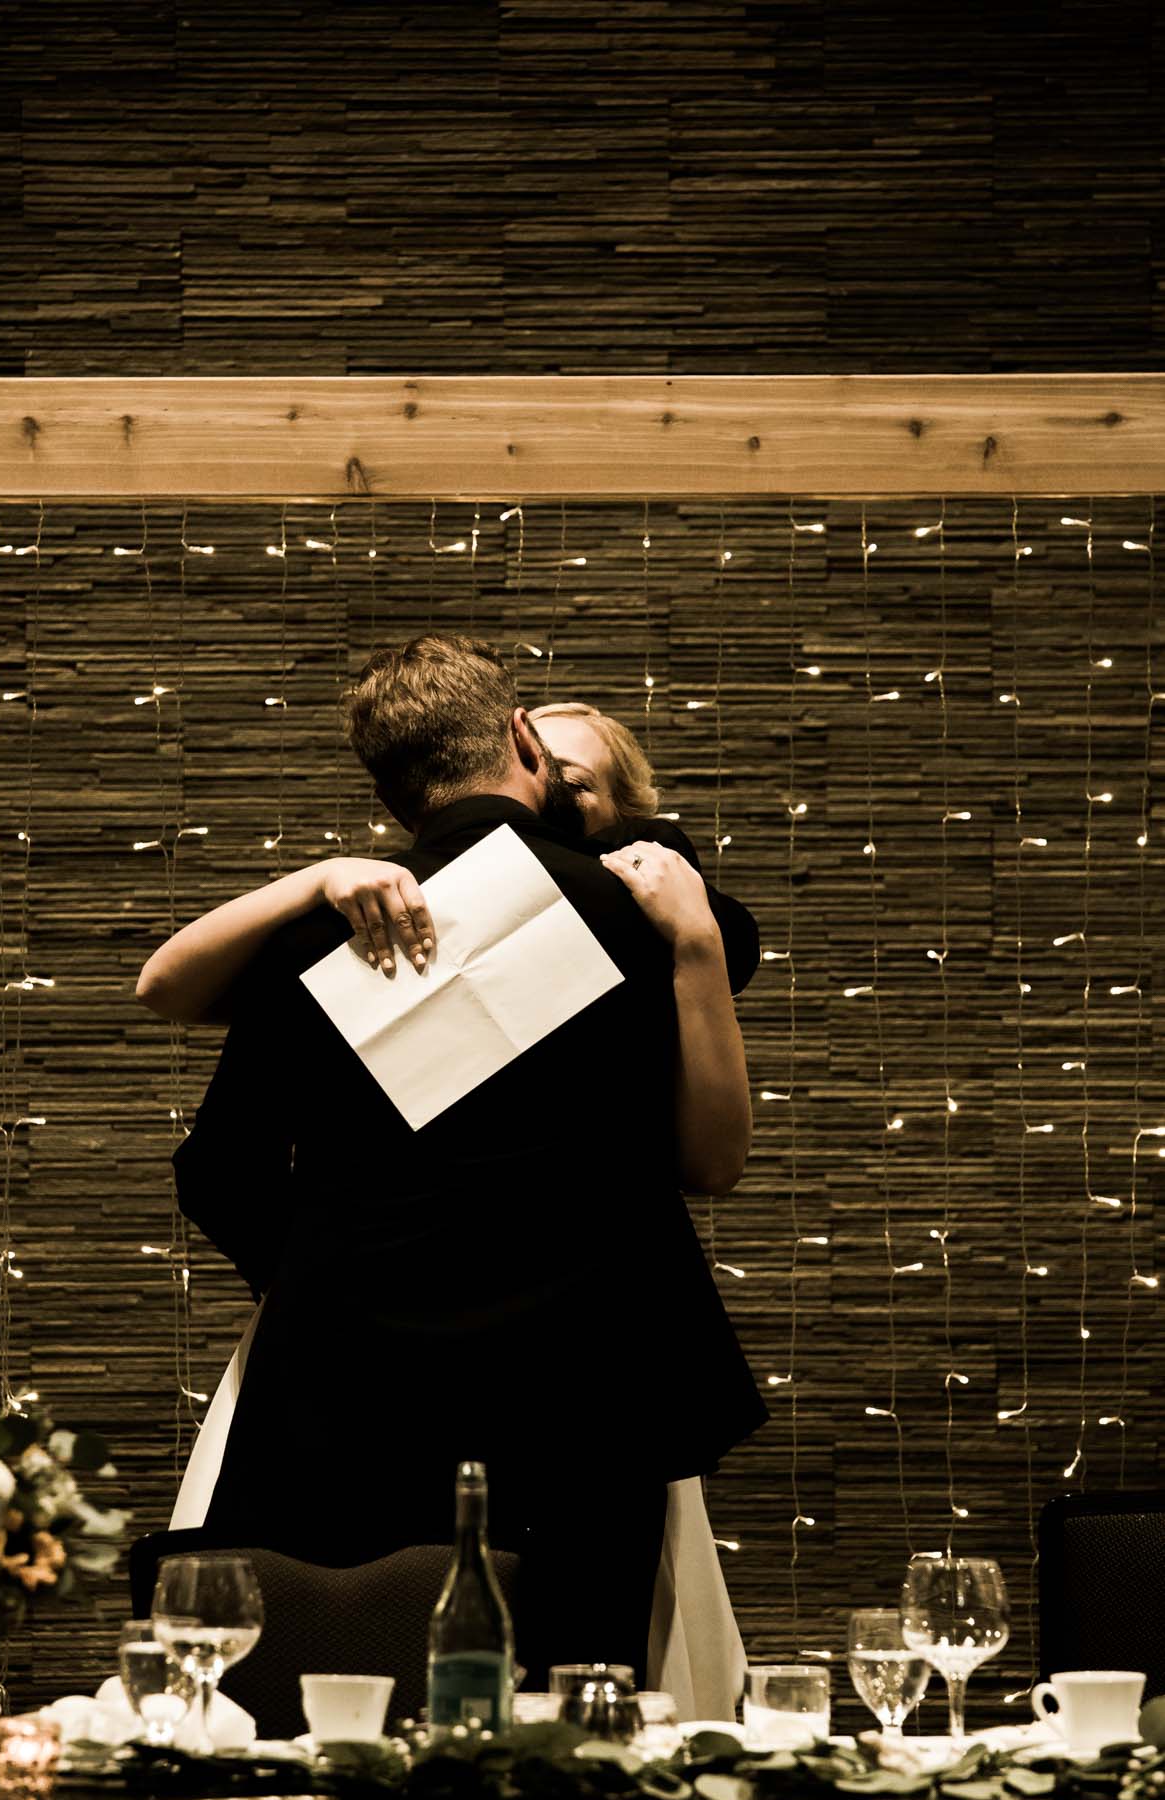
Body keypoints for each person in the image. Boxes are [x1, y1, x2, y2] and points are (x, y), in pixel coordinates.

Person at [138, 634, 767, 1696]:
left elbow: (220, 1168)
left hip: (347, 1397)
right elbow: (710, 1161)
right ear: (521, 737)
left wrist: (329, 1273)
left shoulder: (316, 940)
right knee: (583, 1730)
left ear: (392, 795)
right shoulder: (654, 922)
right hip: (587, 1400)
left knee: (338, 1715)